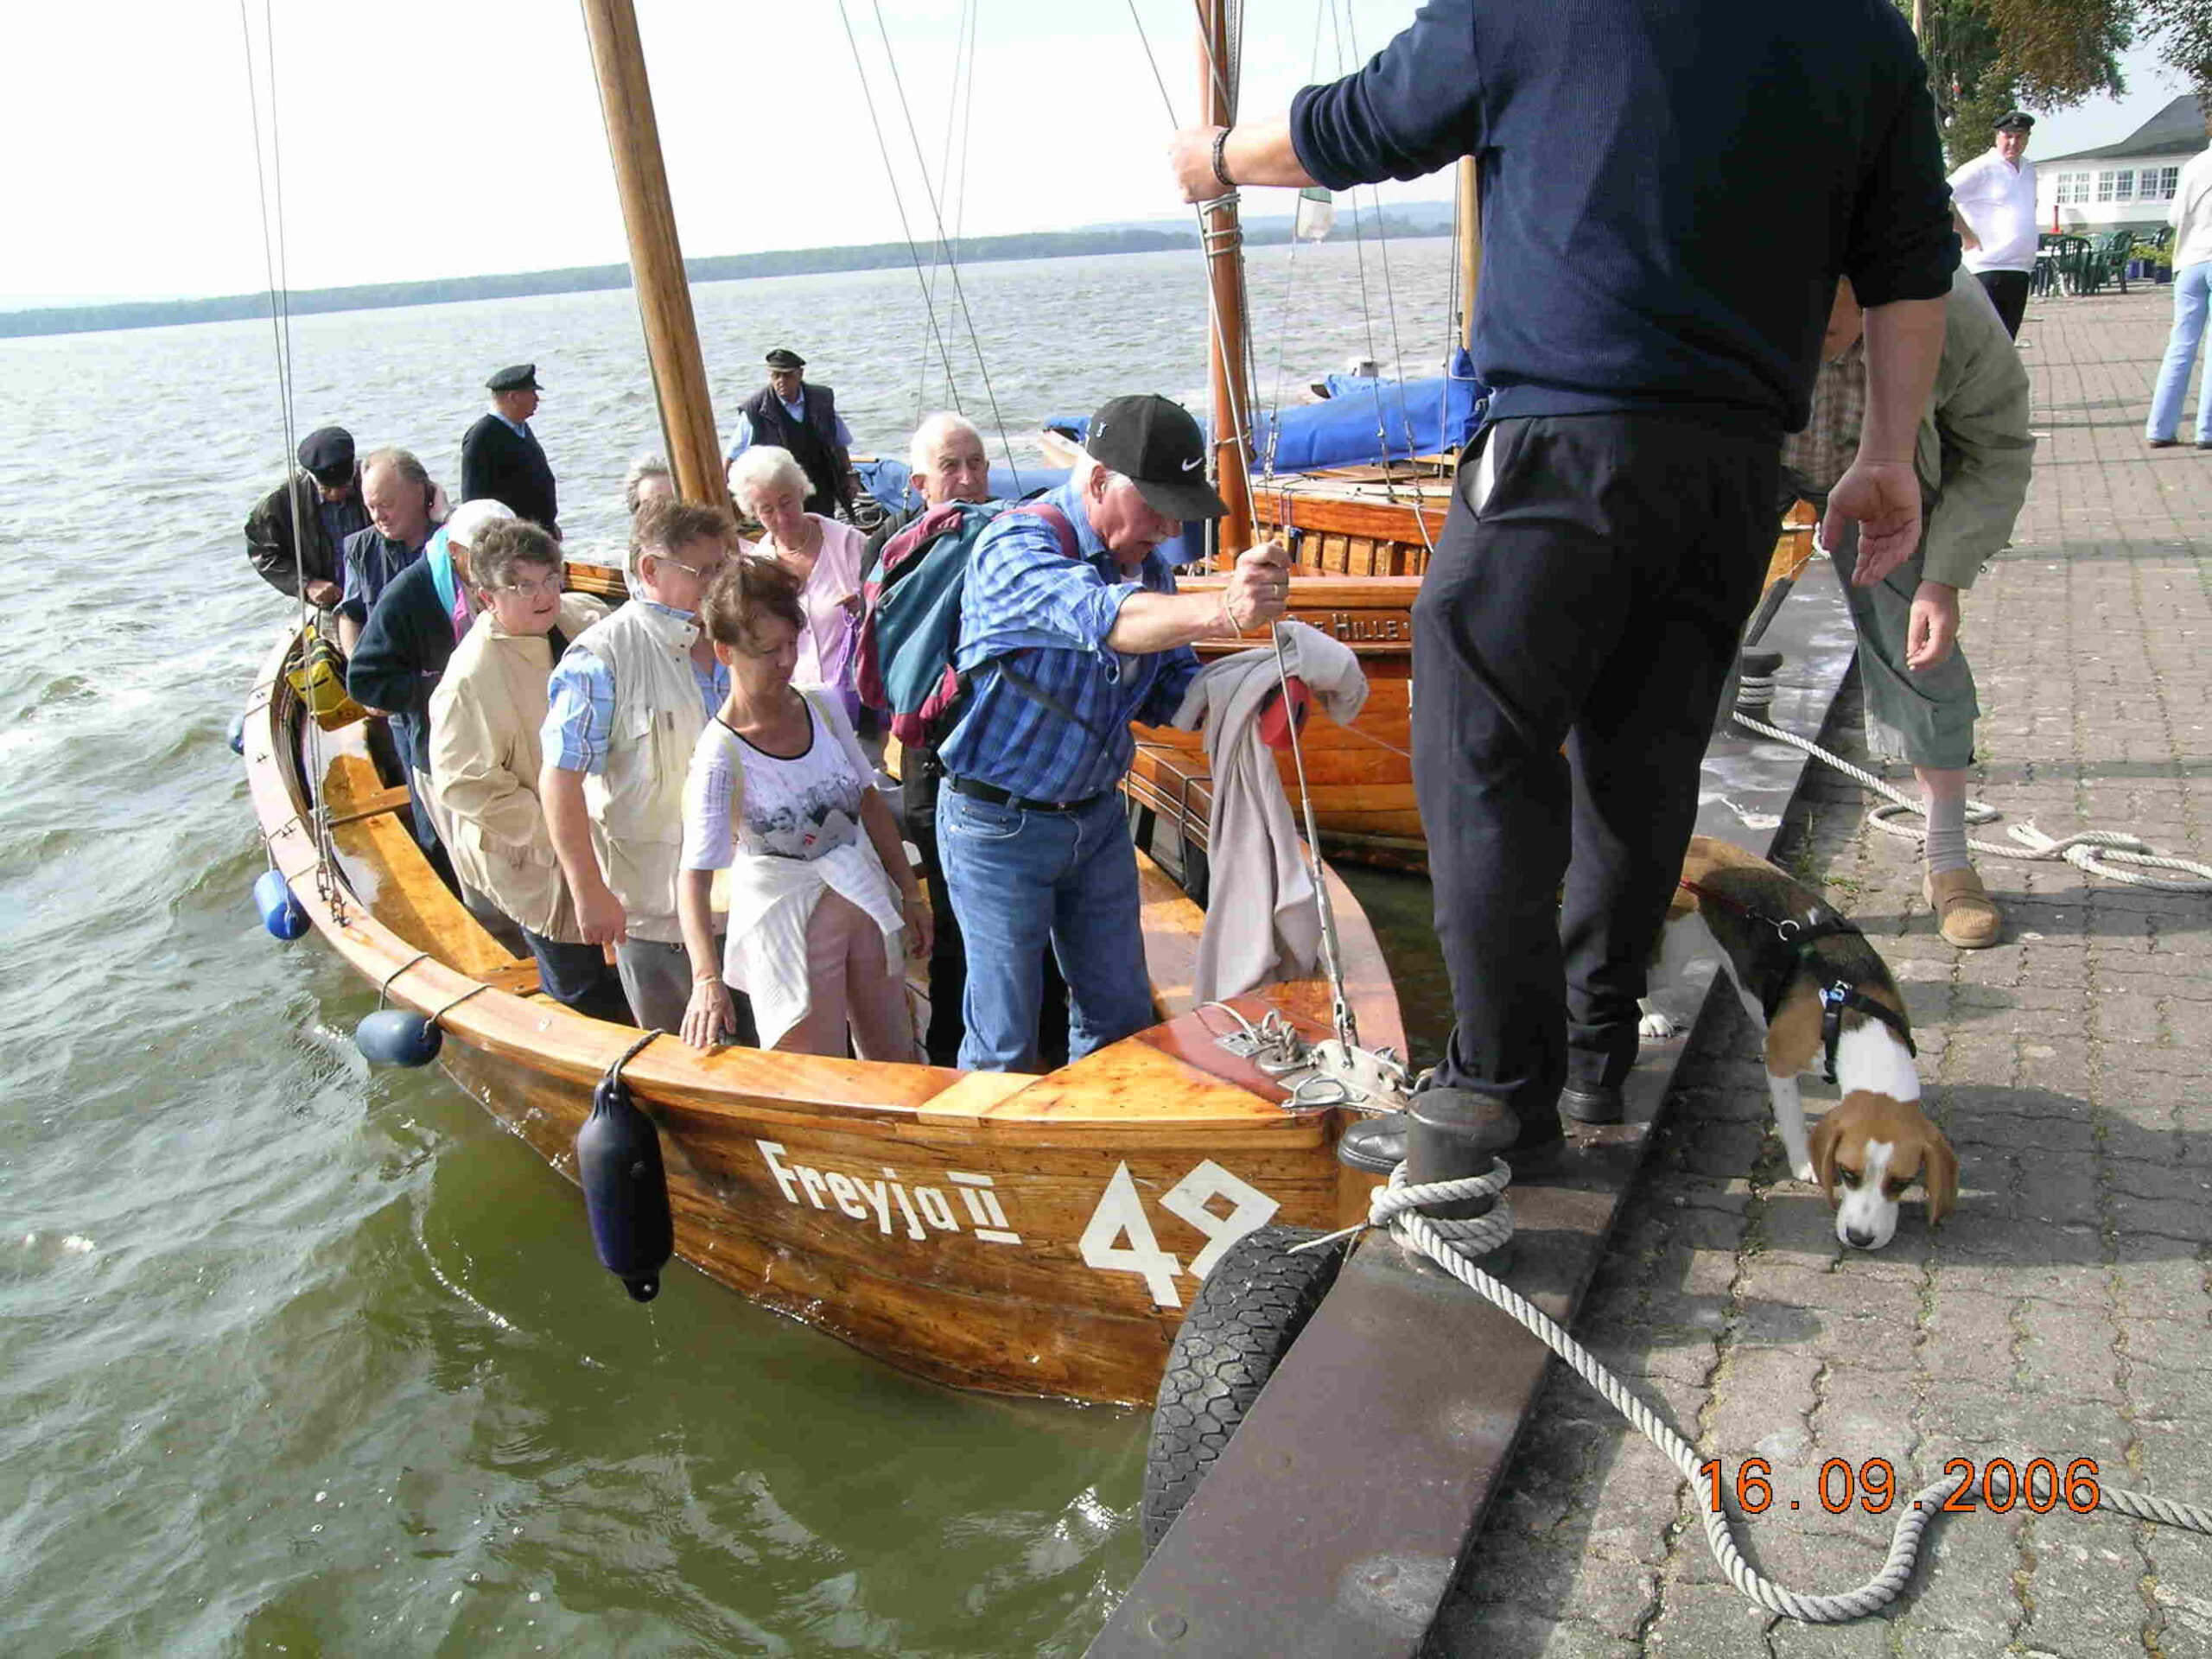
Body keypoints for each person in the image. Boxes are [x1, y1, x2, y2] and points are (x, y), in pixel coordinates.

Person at [1173, 0, 1957, 1174]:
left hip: (1563, 445)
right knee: (1643, 765)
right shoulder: (1864, 31)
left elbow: (1360, 124)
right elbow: (1912, 265)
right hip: (1735, 469)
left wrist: (1219, 157)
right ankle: (1595, 1049)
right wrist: (1887, 451)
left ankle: (1499, 1090)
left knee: (1478, 749)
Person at [934, 394, 1288, 1071]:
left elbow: (1170, 688)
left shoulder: (1148, 567)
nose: (1170, 527)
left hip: (1097, 819)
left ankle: (1107, 1129)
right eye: (1156, 505)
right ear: (1098, 481)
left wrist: (1258, 694)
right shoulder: (1015, 547)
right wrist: (1225, 610)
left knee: (1122, 1019)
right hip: (997, 827)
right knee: (1006, 1039)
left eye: (1179, 508)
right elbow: (1107, 619)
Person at [1785, 271, 2031, 948]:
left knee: (1922, 652)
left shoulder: (1953, 310)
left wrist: (1943, 580)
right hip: (1752, 460)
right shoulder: (1732, 281)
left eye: (1828, 319)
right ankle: (1669, 860)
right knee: (1688, 648)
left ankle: (1948, 860)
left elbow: (1995, 449)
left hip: (1889, 487)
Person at [677, 556, 926, 1058]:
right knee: (819, 1075)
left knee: (896, 1059)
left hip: (862, 900)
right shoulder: (720, 753)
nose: (786, 661)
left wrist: (911, 896)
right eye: (768, 651)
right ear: (725, 651)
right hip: (788, 932)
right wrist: (706, 977)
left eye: (793, 643)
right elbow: (694, 877)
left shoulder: (823, 705)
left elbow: (868, 801)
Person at [540, 499, 750, 1036]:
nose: (718, 583)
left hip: (756, 898)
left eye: (724, 567)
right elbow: (560, 782)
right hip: (659, 917)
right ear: (650, 569)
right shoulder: (599, 659)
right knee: (686, 1053)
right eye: (703, 571)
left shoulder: (740, 636)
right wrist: (588, 890)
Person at [427, 520, 625, 1019]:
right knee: (576, 979)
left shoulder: (586, 620)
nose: (543, 596)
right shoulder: (469, 680)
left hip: (610, 826)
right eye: (521, 586)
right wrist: (564, 833)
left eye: (550, 579)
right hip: (534, 856)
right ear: (487, 598)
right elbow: (466, 786)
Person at [347, 499, 518, 871]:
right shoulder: (408, 594)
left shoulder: (511, 576)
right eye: (486, 559)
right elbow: (364, 681)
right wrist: (447, 689)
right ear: (456, 552)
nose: (500, 570)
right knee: (463, 858)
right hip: (440, 746)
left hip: (506, 738)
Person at [728, 446, 868, 719]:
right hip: (793, 713)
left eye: (786, 502)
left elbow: (886, 618)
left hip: (858, 705)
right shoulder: (754, 570)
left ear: (801, 491)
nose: (781, 517)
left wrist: (864, 610)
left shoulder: (851, 545)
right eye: (767, 510)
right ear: (753, 513)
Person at [335, 448, 444, 657]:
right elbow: (351, 616)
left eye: (386, 505)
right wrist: (358, 665)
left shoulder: (453, 538)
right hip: (390, 667)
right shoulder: (360, 549)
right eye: (371, 507)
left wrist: (446, 516)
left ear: (419, 493)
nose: (378, 516)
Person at [244, 425, 366, 609]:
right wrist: (306, 583)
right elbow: (263, 554)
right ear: (312, 477)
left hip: (381, 591)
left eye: (343, 487)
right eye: (326, 489)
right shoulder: (279, 502)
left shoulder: (377, 481)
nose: (335, 495)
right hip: (330, 601)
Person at [727, 349, 856, 518]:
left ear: (800, 374)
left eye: (787, 375)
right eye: (775, 376)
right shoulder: (756, 410)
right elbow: (733, 454)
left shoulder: (821, 400)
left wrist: (849, 476)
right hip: (780, 491)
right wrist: (727, 497)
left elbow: (839, 442)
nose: (781, 381)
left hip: (821, 484)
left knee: (822, 526)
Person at [2146, 118, 2212, 448]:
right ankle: (2207, 430)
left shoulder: (2193, 165)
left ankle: (2160, 427)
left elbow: (2173, 218)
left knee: (2181, 347)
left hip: (2190, 262)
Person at [863, 411, 995, 573]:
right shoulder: (890, 541)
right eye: (950, 466)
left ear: (986, 469)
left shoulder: (1011, 523)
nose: (967, 479)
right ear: (921, 484)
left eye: (975, 462)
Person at [1948, 111, 2039, 340]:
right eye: (2008, 136)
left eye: (2019, 137)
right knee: (1981, 342)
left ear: (2028, 138)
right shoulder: (1982, 167)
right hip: (1987, 268)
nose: (2013, 142)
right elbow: (1940, 196)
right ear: (1997, 136)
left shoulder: (2029, 170)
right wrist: (1966, 235)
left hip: (2019, 269)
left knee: (2007, 342)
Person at [461, 364, 560, 537]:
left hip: (539, 534)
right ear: (513, 397)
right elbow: (475, 504)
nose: (537, 399)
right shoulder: (482, 437)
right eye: (532, 393)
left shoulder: (521, 428)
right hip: (513, 541)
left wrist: (550, 524)